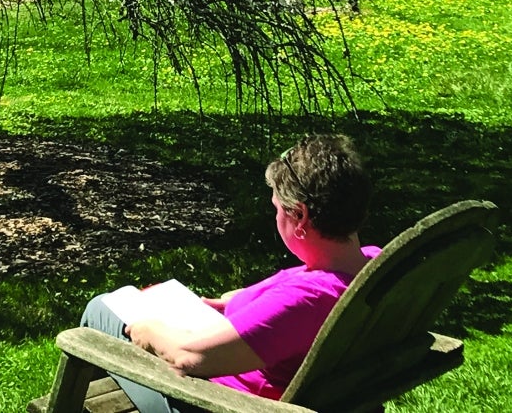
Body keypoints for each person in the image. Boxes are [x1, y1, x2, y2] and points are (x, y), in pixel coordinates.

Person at [77, 134, 378, 412]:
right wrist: (234, 304)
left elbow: (187, 357)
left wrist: (147, 330)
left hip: (213, 402)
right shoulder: (371, 265)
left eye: (277, 208)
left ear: (299, 216)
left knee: (101, 309)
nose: (275, 216)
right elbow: (285, 311)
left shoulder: (305, 300)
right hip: (273, 378)